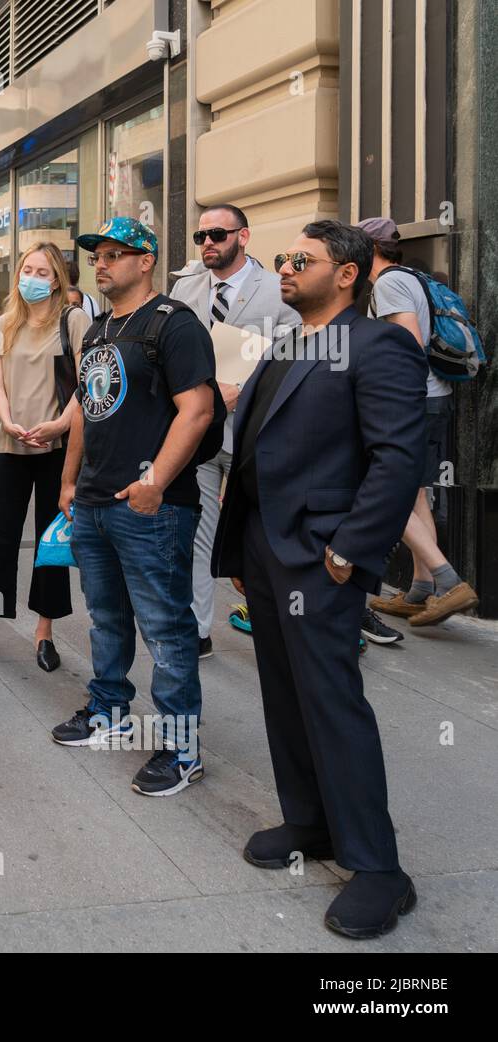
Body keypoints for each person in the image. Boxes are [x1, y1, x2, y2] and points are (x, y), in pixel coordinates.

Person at [212, 221, 425, 938]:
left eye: (301, 259)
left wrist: (347, 552)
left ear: (349, 274)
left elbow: (398, 460)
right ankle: (311, 823)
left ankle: (379, 869)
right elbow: (254, 449)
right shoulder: (286, 345)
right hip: (266, 555)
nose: (285, 268)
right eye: (281, 259)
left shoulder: (381, 344)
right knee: (284, 693)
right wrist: (241, 549)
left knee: (333, 702)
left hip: (321, 557)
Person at [52, 217, 216, 797]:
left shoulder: (175, 325)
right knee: (106, 618)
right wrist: (69, 483)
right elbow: (84, 410)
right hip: (95, 503)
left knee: (167, 630)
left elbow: (197, 411)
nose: (101, 263)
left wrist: (155, 483)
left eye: (116, 254)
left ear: (146, 261)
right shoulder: (97, 330)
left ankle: (181, 747)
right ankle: (109, 710)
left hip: (154, 507)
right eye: (97, 255)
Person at [170, 204, 300, 657]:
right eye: (201, 236)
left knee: (268, 534)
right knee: (198, 533)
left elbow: (294, 351)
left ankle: (286, 621)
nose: (208, 242)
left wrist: (240, 387)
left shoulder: (278, 287)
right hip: (199, 432)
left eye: (218, 234)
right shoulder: (185, 288)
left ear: (243, 237)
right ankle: (197, 630)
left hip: (256, 433)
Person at [0, 242, 82, 672]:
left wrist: (60, 425)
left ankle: (44, 631)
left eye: (42, 272)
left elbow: (88, 385)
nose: (32, 277)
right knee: (0, 536)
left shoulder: (73, 319)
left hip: (55, 447)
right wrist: (6, 421)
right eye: (27, 269)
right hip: (11, 443)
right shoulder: (5, 322)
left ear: (58, 279)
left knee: (51, 543)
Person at [359, 217, 478, 630]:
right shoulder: (412, 277)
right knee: (415, 496)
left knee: (386, 491)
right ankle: (421, 590)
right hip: (433, 397)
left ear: (369, 248)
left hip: (407, 402)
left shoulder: (389, 283)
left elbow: (407, 343)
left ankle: (449, 579)